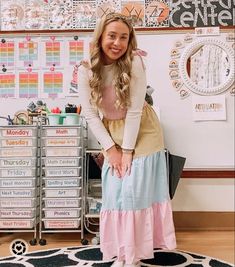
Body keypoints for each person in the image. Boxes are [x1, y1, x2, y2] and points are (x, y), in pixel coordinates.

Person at [78, 12, 176, 267]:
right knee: (115, 193)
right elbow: (89, 113)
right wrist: (110, 149)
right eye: (112, 36)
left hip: (142, 130)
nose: (117, 43)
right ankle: (121, 252)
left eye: (124, 37)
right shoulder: (86, 68)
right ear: (100, 37)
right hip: (112, 131)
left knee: (133, 192)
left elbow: (134, 111)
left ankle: (132, 257)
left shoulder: (134, 62)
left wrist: (128, 151)